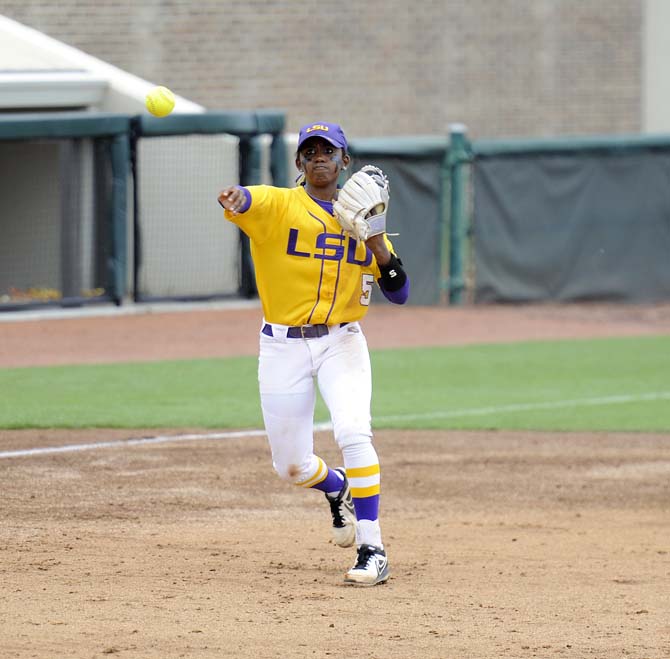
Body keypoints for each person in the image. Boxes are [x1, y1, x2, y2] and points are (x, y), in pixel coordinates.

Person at [217, 121, 409, 586]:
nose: (319, 155)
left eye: (329, 150)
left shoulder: (364, 221)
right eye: (310, 150)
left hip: (342, 341)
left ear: (344, 161)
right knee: (291, 465)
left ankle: (372, 548)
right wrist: (237, 198)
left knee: (353, 432)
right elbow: (248, 199)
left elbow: (400, 292)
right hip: (281, 345)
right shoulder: (281, 205)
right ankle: (337, 486)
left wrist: (376, 238)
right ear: (300, 162)